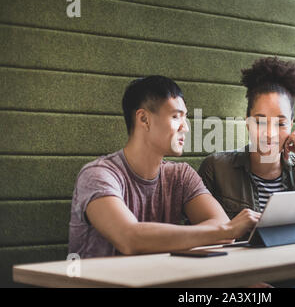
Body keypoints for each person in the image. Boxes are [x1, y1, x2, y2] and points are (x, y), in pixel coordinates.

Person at [69, 75, 260, 258]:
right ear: (144, 119)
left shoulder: (181, 175)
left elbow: (223, 229)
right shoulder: (97, 175)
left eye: (185, 118)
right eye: (176, 117)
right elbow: (129, 238)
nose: (185, 127)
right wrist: (223, 230)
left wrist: (224, 230)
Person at [198, 57, 295, 287]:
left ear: (291, 126)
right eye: (260, 122)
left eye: (280, 123)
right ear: (248, 123)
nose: (270, 134)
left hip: (294, 280)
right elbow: (197, 239)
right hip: (238, 281)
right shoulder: (216, 168)